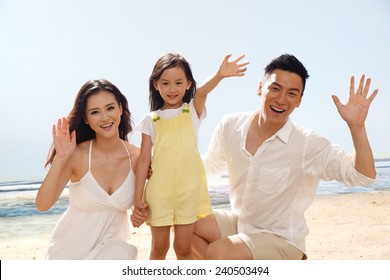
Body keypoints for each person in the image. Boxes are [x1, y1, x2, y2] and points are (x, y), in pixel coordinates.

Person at [192, 54, 378, 260]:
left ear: (299, 101)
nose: (281, 99)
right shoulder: (230, 125)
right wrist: (162, 168)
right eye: (275, 88)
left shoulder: (307, 144)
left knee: (220, 252)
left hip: (282, 240)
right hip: (241, 224)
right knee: (183, 221)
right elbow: (207, 167)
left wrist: (357, 127)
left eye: (291, 93)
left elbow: (363, 176)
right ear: (260, 88)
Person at [134, 52, 249, 260]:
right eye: (165, 83)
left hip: (188, 193)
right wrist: (137, 198)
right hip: (159, 192)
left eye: (178, 83)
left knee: (183, 248)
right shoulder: (151, 120)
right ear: (155, 84)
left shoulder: (191, 112)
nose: (172, 89)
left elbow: (203, 93)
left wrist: (219, 75)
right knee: (158, 248)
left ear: (188, 84)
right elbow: (143, 160)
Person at [36, 79, 147, 259]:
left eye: (110, 108)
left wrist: (143, 213)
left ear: (120, 109)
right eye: (95, 112)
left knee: (119, 252)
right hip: (67, 254)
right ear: (86, 119)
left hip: (109, 254)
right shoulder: (77, 155)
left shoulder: (138, 157)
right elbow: (42, 204)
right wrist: (60, 159)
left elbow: (149, 201)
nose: (104, 117)